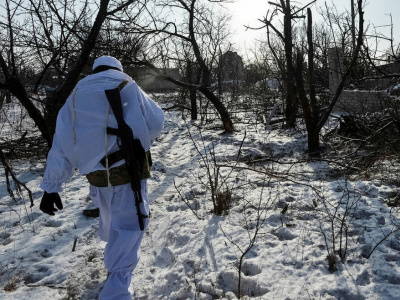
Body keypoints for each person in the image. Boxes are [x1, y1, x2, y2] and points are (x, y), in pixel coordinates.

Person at [39, 56, 164, 299]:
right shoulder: (128, 85)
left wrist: (51, 187)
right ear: (118, 68)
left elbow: (61, 145)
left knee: (111, 222)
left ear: (95, 70)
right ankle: (117, 291)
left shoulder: (75, 95)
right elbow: (157, 122)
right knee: (129, 227)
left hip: (96, 179)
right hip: (128, 174)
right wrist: (139, 139)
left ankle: (114, 266)